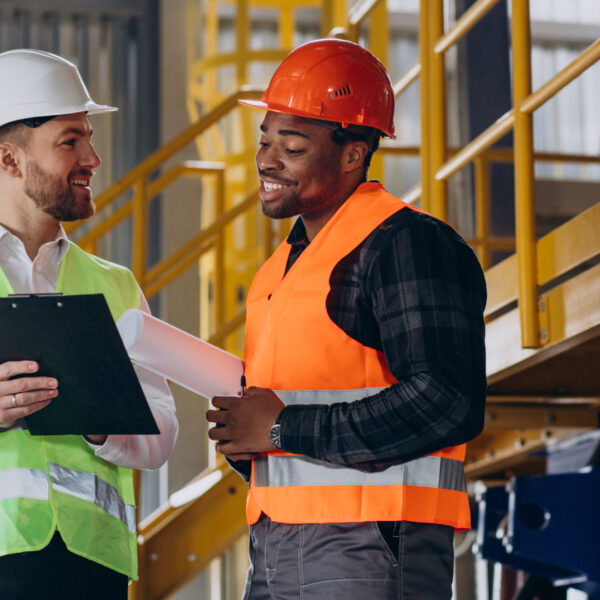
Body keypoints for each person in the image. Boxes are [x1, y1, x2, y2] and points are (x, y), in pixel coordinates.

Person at [206, 38, 487, 600]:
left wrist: (282, 428)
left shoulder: (406, 243)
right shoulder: (278, 273)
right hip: (274, 544)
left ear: (354, 153)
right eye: (265, 141)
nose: (266, 160)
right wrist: (248, 441)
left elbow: (447, 400)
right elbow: (299, 423)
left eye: (292, 146)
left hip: (374, 544)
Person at [0, 49, 178, 600]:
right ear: (9, 160)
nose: (94, 158)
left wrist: (101, 418)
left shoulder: (116, 283)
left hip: (90, 564)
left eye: (90, 138)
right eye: (70, 141)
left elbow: (163, 433)